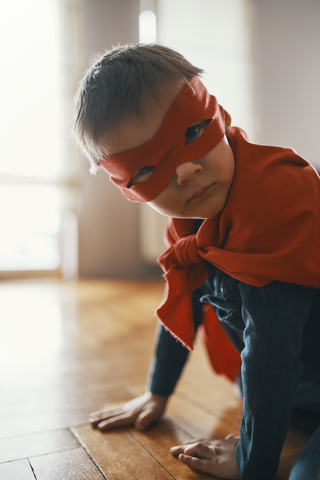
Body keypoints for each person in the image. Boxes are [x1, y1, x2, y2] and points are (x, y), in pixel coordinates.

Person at [72, 43, 320, 480]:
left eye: (191, 134)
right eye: (147, 169)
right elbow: (187, 292)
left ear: (219, 116)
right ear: (128, 188)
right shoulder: (191, 220)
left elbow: (273, 354)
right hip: (300, 386)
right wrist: (157, 392)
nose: (185, 171)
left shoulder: (279, 203)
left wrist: (251, 462)